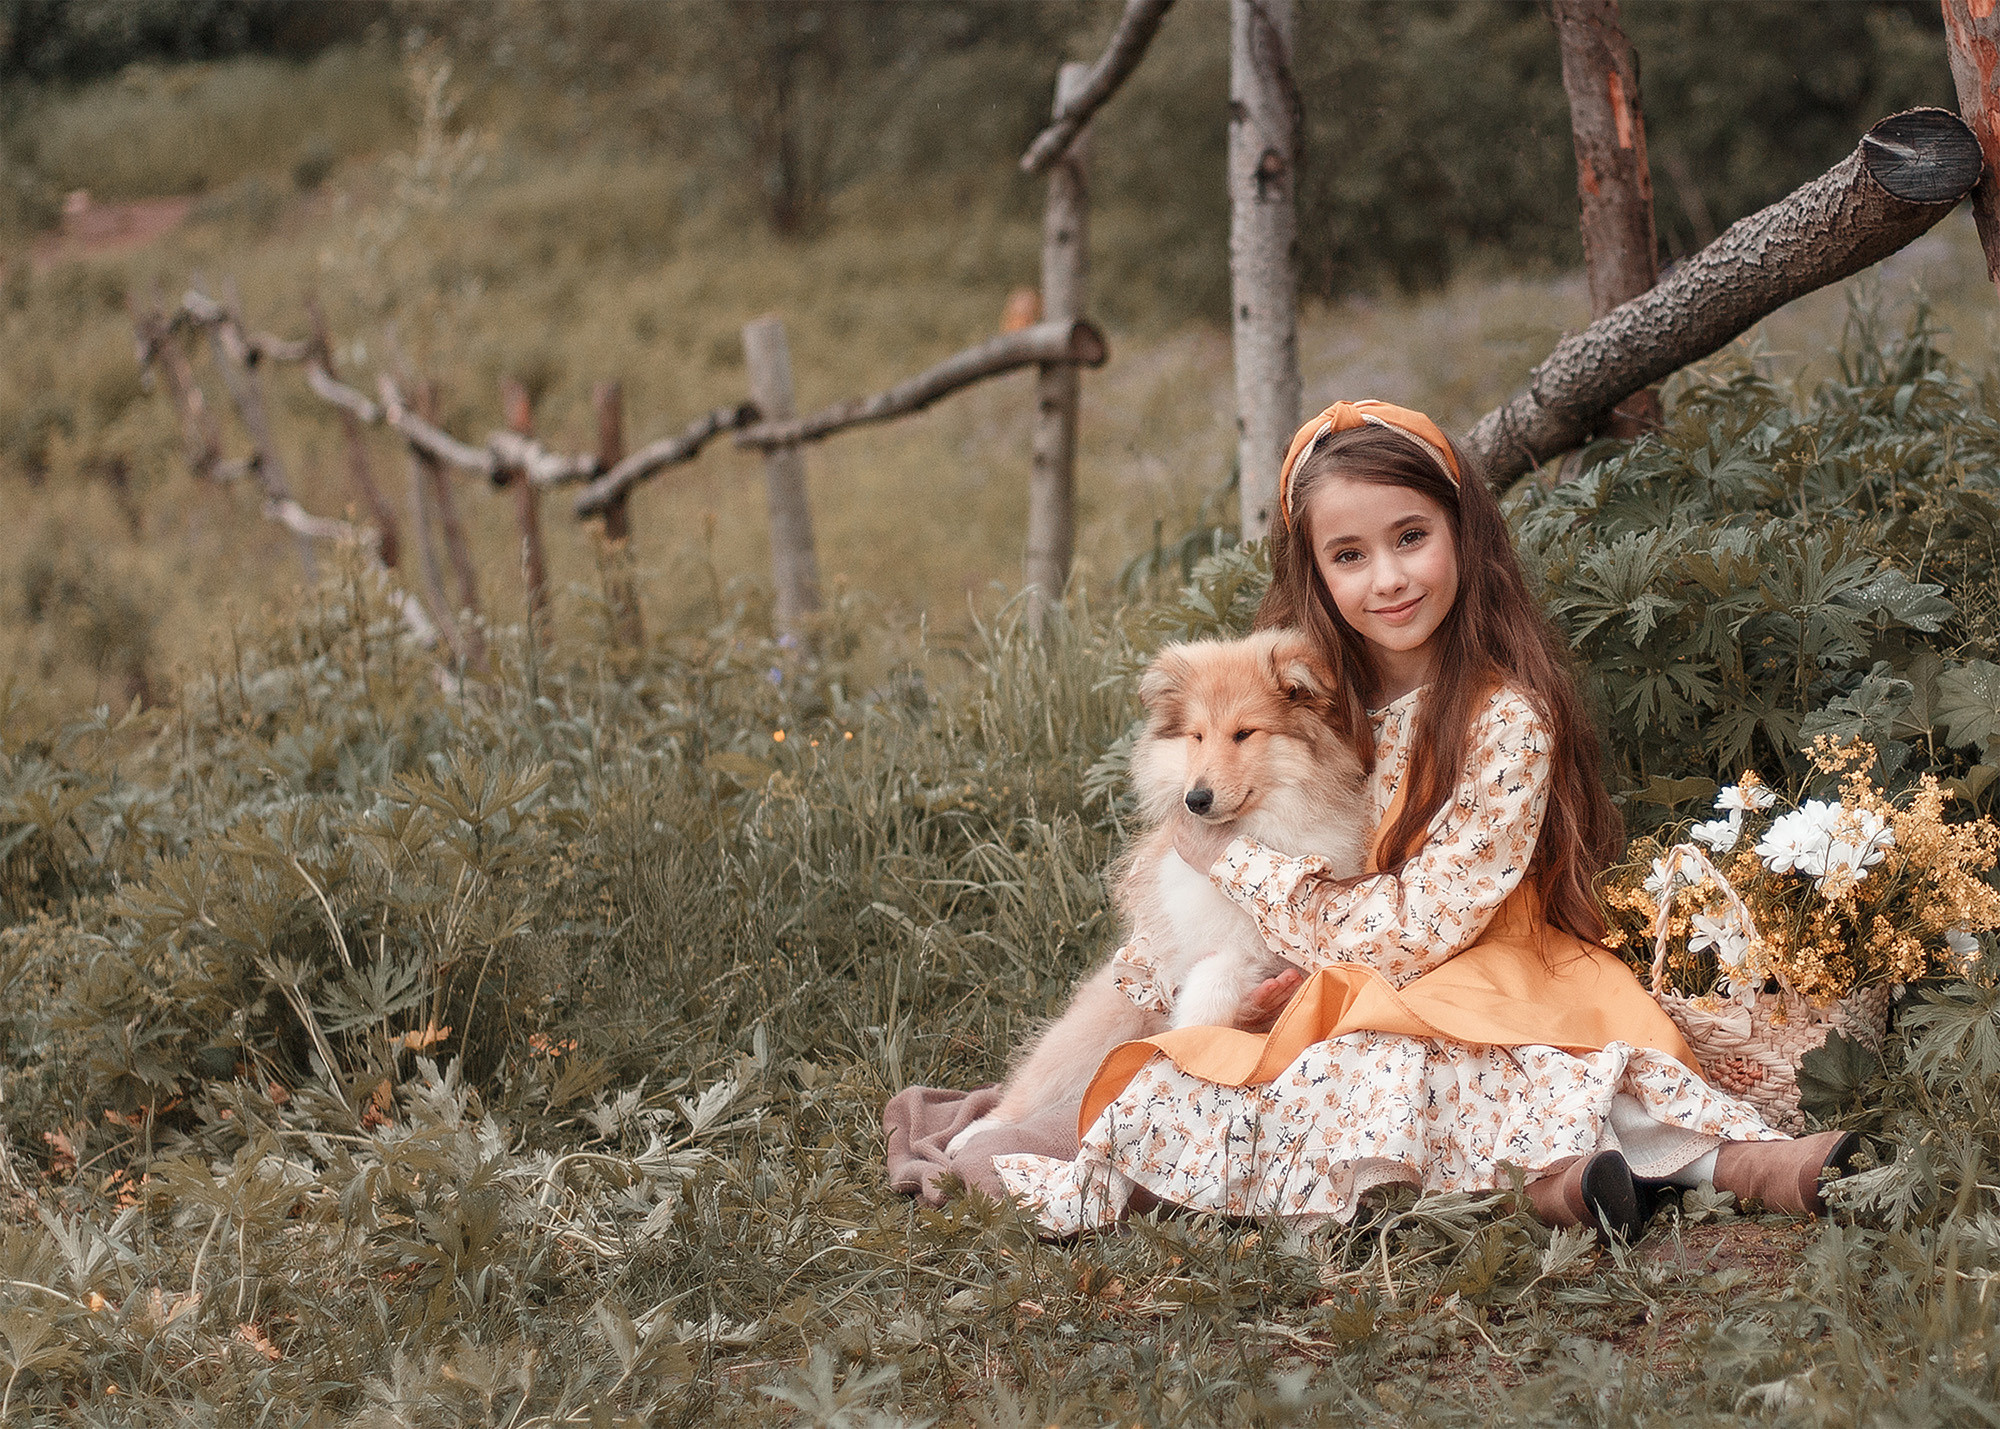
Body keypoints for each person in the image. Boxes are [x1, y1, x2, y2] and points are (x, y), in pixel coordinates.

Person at [924, 400, 1858, 1238]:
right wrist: (1045, 1082)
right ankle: (1553, 1186)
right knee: (1252, 1075)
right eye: (1349, 555)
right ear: (1315, 570)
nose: (1388, 580)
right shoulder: (1311, 700)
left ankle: (1739, 1164)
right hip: (1335, 987)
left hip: (1478, 967)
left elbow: (1418, 929)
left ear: (1463, 531)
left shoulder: (1503, 718)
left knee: (1475, 1062)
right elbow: (1183, 926)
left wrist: (1230, 862)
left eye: (1410, 537)